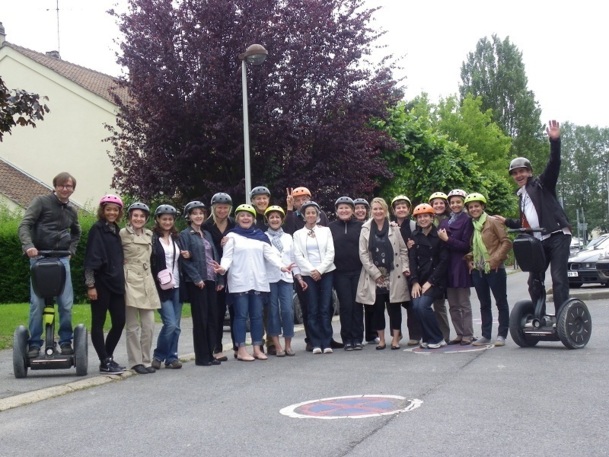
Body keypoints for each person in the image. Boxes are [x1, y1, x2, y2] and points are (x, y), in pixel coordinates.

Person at [495, 120, 571, 315]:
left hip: (557, 236)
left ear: (529, 172)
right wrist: (506, 221)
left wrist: (555, 141)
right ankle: (540, 316)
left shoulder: (542, 184)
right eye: (515, 173)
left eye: (522, 171)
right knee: (534, 280)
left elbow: (554, 163)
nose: (519, 175)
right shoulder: (521, 197)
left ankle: (563, 317)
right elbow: (525, 223)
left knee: (558, 278)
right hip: (539, 240)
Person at [212, 204, 292, 361]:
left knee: (256, 316)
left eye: (248, 215)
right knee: (241, 316)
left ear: (254, 219)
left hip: (258, 282)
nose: (245, 218)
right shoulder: (232, 236)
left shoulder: (261, 236)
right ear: (237, 218)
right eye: (242, 215)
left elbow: (271, 256)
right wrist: (222, 268)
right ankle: (241, 349)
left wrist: (282, 266)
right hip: (239, 281)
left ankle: (257, 348)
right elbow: (227, 257)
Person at [18, 172, 81, 358]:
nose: (65, 189)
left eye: (69, 186)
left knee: (65, 304)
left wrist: (71, 251)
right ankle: (35, 343)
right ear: (55, 186)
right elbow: (24, 225)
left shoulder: (72, 210)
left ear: (73, 189)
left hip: (61, 259)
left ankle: (65, 341)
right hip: (39, 258)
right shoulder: (41, 202)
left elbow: (77, 233)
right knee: (37, 304)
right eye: (62, 185)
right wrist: (29, 246)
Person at [357, 197, 410, 350]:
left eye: (381, 209)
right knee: (377, 309)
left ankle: (395, 339)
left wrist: (405, 267)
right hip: (375, 277)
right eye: (375, 209)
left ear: (386, 211)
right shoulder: (365, 229)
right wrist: (375, 273)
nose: (378, 211)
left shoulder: (394, 228)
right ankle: (381, 340)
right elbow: (363, 254)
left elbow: (403, 250)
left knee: (395, 308)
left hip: (394, 274)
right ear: (371, 211)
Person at [84, 194, 127, 373]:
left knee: (119, 321)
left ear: (119, 212)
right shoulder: (97, 229)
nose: (112, 212)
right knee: (98, 323)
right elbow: (90, 259)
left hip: (116, 283)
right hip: (100, 283)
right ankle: (104, 359)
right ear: (103, 210)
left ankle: (107, 358)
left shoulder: (116, 229)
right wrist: (90, 285)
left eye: (115, 210)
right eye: (108, 209)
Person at [464, 193, 512, 347]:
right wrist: (469, 259)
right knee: (484, 304)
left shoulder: (492, 222)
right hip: (478, 269)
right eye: (471, 207)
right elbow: (474, 247)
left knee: (501, 302)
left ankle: (502, 335)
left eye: (476, 206)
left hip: (495, 268)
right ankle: (485, 335)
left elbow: (506, 242)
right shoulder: (472, 225)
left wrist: (495, 260)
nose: (474, 209)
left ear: (482, 206)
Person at [180, 201, 224, 367]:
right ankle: (201, 356)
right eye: (194, 213)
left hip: (211, 280)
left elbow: (214, 257)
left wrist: (220, 278)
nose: (198, 216)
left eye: (201, 213)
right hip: (197, 282)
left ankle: (210, 353)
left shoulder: (206, 234)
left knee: (213, 317)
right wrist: (196, 278)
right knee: (201, 319)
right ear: (189, 216)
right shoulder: (185, 235)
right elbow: (185, 261)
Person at [120, 202, 161, 374]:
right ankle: (135, 362)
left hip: (146, 279)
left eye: (142, 216)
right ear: (130, 217)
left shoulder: (150, 234)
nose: (138, 219)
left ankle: (146, 359)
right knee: (132, 325)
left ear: (146, 219)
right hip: (129, 278)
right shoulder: (122, 233)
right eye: (135, 215)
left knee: (149, 324)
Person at [293, 201, 336, 354]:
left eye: (313, 213)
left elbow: (331, 252)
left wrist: (320, 270)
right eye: (308, 213)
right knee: (312, 308)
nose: (311, 215)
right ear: (304, 216)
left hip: (326, 272)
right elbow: (298, 255)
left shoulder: (326, 231)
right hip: (308, 274)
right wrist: (312, 271)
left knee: (325, 307)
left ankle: (326, 342)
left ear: (318, 215)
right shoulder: (298, 234)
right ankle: (315, 342)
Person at [264, 205, 305, 356]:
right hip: (270, 279)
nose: (275, 220)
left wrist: (298, 277)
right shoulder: (263, 237)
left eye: (277, 217)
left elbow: (293, 259)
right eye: (272, 217)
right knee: (273, 312)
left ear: (282, 220)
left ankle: (288, 344)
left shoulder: (288, 237)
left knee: (288, 310)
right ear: (267, 220)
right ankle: (277, 345)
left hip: (286, 279)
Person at [409, 204, 449, 349]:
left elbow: (444, 261)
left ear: (432, 217)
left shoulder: (439, 234)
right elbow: (412, 260)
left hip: (435, 280)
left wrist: (431, 282)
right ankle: (426, 337)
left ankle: (438, 338)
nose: (423, 219)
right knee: (415, 307)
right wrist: (414, 282)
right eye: (420, 217)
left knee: (423, 306)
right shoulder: (414, 236)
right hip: (419, 280)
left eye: (426, 216)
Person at [438, 189, 474, 345]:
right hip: (447, 266)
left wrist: (447, 239)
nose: (455, 205)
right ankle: (459, 333)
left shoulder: (467, 220)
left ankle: (468, 333)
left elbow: (466, 245)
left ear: (463, 203)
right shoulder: (444, 222)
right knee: (453, 304)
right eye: (452, 202)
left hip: (460, 265)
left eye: (458, 202)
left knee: (464, 303)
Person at [203, 192, 236, 361]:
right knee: (217, 311)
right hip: (215, 272)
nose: (222, 211)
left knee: (236, 310)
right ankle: (217, 347)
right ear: (213, 208)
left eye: (225, 208)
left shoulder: (234, 224)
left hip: (234, 271)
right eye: (219, 208)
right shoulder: (206, 225)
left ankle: (238, 346)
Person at [151, 204, 184, 369]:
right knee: (170, 323)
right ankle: (158, 356)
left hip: (177, 284)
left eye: (170, 219)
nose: (167, 222)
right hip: (161, 286)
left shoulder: (176, 238)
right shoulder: (152, 238)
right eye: (164, 219)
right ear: (157, 219)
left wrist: (187, 254)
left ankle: (172, 357)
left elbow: (181, 257)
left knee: (176, 326)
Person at [329, 197, 364, 351]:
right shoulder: (330, 228)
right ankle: (347, 339)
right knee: (345, 306)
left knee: (357, 305)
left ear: (352, 210)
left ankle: (357, 338)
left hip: (358, 271)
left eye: (347, 208)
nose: (344, 211)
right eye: (341, 208)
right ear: (336, 211)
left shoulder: (361, 226)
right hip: (340, 273)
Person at [390, 195, 421, 346]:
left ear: (408, 209)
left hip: (411, 266)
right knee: (393, 303)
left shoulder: (415, 225)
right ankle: (396, 333)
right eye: (398, 207)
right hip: (394, 268)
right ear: (394, 210)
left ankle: (415, 335)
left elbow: (421, 242)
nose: (401, 210)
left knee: (412, 304)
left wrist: (413, 245)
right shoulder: (389, 226)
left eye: (404, 207)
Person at [428, 191, 451, 342]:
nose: (438, 205)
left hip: (447, 265)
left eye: (441, 203)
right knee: (434, 304)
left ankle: (445, 335)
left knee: (443, 305)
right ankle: (434, 334)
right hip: (431, 267)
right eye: (435, 203)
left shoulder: (450, 220)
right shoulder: (426, 219)